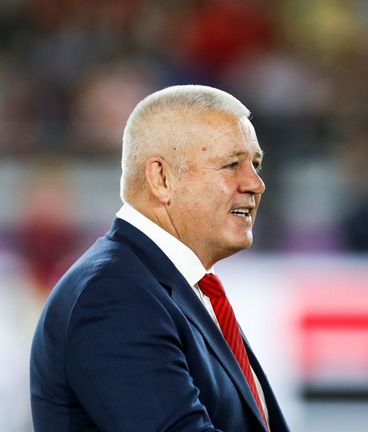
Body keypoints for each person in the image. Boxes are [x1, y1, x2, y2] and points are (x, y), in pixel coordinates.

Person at [30, 85, 289, 432]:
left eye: (254, 164)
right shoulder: (113, 296)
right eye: (231, 164)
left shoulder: (171, 288)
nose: (256, 184)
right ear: (161, 178)